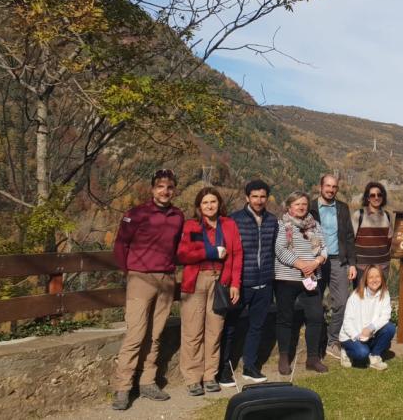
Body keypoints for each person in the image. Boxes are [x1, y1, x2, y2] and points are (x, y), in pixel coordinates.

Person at [111, 169, 185, 410]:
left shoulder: (177, 216)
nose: (165, 191)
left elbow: (176, 246)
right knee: (135, 333)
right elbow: (121, 245)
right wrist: (131, 272)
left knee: (155, 334)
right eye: (161, 187)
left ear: (174, 190)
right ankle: (123, 387)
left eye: (170, 187)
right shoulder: (137, 214)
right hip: (140, 278)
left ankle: (147, 382)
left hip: (165, 279)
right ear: (153, 189)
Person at [176, 187, 243, 396]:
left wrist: (235, 283)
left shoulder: (228, 225)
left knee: (215, 331)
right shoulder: (192, 225)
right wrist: (210, 251)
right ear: (199, 206)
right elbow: (183, 254)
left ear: (219, 203)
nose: (209, 206)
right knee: (192, 332)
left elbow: (237, 254)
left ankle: (210, 375)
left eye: (213, 201)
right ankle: (192, 378)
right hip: (195, 281)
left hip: (220, 282)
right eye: (205, 202)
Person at [219, 180, 278, 386]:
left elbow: (274, 249)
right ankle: (224, 368)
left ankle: (250, 366)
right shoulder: (234, 220)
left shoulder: (272, 221)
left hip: (264, 283)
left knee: (257, 326)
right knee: (230, 326)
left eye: (263, 196)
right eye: (255, 196)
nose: (259, 201)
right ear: (247, 198)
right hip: (241, 283)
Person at [276, 191, 329, 374]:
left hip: (311, 277)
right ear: (289, 207)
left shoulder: (315, 226)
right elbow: (280, 249)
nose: (301, 207)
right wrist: (300, 264)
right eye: (297, 204)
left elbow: (324, 248)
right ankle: (284, 358)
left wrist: (315, 263)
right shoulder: (282, 225)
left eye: (304, 204)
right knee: (285, 318)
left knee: (315, 316)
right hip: (287, 278)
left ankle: (313, 358)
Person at [309, 174, 356, 361]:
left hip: (338, 260)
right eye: (327, 186)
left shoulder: (343, 208)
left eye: (334, 186)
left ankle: (332, 340)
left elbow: (350, 237)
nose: (330, 189)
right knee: (315, 304)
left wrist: (352, 263)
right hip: (316, 261)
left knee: (342, 302)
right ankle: (317, 343)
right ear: (320, 187)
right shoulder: (310, 207)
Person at [339, 265, 396, 370]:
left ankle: (374, 357)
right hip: (352, 335)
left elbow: (385, 316)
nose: (374, 280)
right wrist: (357, 335)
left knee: (390, 328)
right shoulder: (355, 296)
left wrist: (371, 328)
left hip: (369, 333)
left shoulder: (385, 293)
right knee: (362, 353)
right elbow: (347, 322)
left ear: (382, 278)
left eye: (377, 276)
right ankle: (345, 351)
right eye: (371, 277)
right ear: (365, 280)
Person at [352, 181, 393, 282]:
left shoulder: (387, 216)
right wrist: (352, 264)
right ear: (368, 198)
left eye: (379, 195)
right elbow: (350, 241)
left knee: (380, 297)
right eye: (372, 195)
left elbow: (389, 241)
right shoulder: (359, 215)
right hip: (362, 268)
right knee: (361, 297)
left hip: (382, 267)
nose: (376, 197)